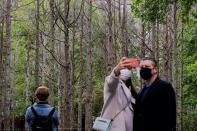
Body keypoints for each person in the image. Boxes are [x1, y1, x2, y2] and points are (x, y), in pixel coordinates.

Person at [133, 57, 176, 131]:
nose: (143, 69)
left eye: (147, 67)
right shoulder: (142, 91)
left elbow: (171, 115)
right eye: (141, 67)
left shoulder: (165, 87)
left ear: (155, 70)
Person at [100, 57, 139, 131]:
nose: (126, 70)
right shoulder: (112, 85)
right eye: (123, 68)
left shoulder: (131, 90)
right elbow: (112, 81)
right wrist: (117, 69)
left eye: (127, 68)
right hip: (115, 127)